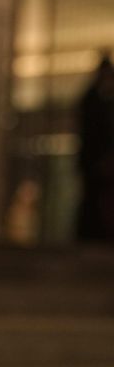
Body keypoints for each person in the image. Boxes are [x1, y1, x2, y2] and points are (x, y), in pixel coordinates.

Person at [76, 53, 114, 242]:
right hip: (93, 163)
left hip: (95, 162)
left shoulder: (98, 99)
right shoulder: (93, 100)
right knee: (92, 200)